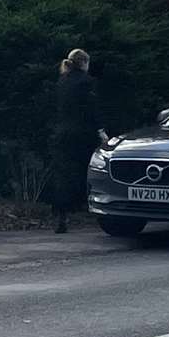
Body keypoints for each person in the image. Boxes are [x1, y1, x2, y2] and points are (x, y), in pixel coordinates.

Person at [50, 47, 108, 234]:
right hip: (83, 133)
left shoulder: (62, 81)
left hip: (63, 132)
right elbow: (92, 109)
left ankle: (62, 212)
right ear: (84, 63)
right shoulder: (87, 82)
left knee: (64, 173)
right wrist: (101, 131)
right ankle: (91, 207)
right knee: (88, 170)